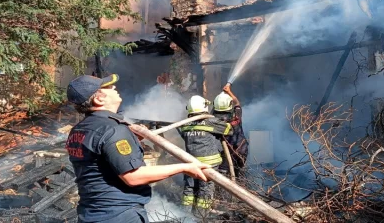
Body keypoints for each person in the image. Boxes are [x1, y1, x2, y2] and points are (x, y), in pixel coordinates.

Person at [64, 74, 210, 223]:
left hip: (91, 213)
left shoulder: (79, 129)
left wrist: (132, 139)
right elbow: (134, 176)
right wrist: (184, 168)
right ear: (99, 99)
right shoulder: (113, 129)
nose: (114, 87)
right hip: (120, 215)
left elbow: (99, 163)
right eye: (107, 87)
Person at [178, 95, 233, 216]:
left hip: (190, 163)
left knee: (189, 189)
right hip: (209, 165)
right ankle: (201, 217)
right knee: (205, 190)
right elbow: (229, 130)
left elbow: (184, 135)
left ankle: (185, 216)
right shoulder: (210, 122)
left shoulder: (185, 124)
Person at [213, 83, 249, 178]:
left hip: (225, 153)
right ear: (230, 105)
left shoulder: (213, 119)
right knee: (237, 174)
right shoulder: (237, 117)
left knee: (223, 177)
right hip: (241, 151)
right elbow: (237, 103)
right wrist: (229, 92)